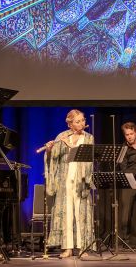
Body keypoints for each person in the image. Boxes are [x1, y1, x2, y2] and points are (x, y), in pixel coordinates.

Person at [42, 110, 95, 258]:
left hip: (81, 181)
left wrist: (70, 146)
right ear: (70, 124)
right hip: (65, 182)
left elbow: (86, 158)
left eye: (83, 120)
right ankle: (68, 248)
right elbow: (54, 158)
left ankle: (82, 248)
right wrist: (49, 149)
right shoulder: (62, 136)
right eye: (78, 121)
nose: (82, 124)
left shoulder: (89, 138)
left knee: (80, 215)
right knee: (67, 215)